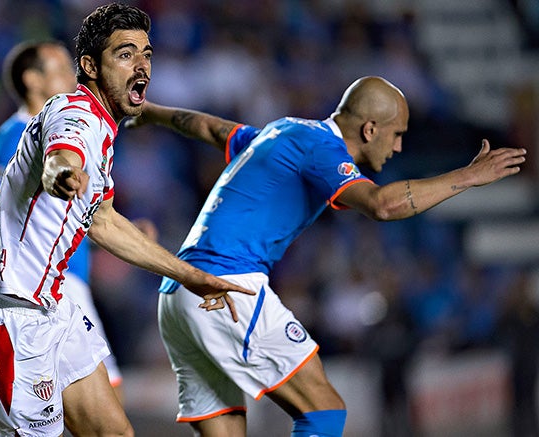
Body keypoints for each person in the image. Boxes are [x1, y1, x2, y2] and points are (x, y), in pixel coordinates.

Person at [126, 76, 526, 436]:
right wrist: (469, 176)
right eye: (397, 134)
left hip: (176, 293)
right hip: (227, 286)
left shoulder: (283, 131)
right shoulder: (321, 147)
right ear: (370, 130)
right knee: (324, 412)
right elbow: (383, 205)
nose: (400, 146)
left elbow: (210, 127)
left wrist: (153, 113)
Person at [0, 4, 253, 437]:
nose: (142, 65)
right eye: (125, 54)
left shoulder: (104, 128)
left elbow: (103, 221)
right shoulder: (74, 116)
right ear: (90, 66)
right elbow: (61, 156)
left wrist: (190, 275)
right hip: (13, 315)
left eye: (147, 54)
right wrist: (59, 173)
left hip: (54, 307)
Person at [0, 40, 125, 402]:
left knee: (67, 413)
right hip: (52, 289)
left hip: (64, 282)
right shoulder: (16, 135)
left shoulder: (59, 128)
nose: (71, 77)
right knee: (106, 402)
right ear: (33, 80)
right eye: (60, 69)